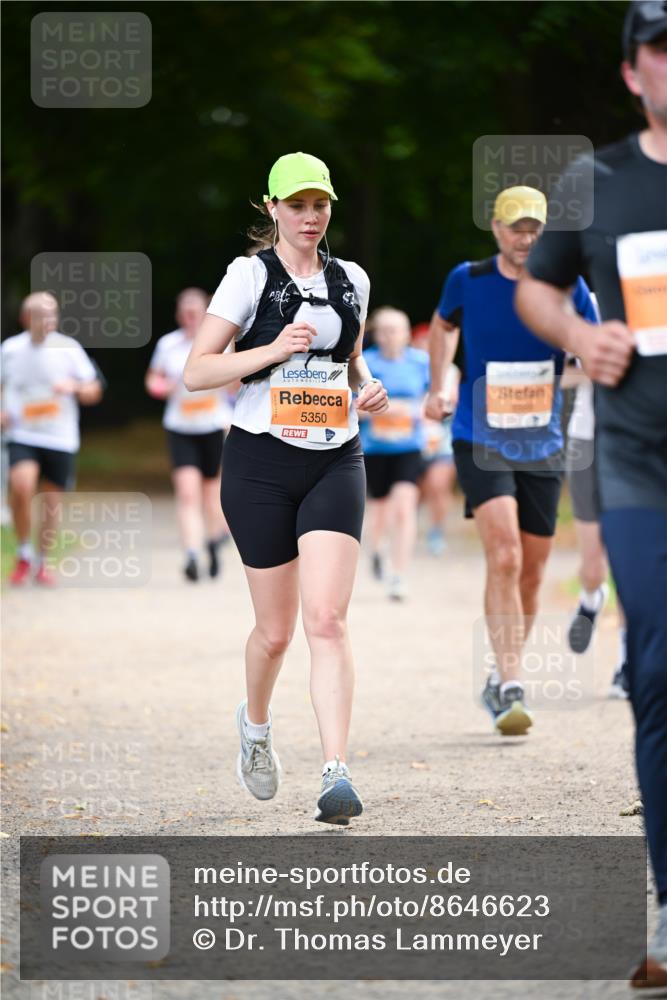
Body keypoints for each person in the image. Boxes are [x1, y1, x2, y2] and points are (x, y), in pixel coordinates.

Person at [516, 2, 667, 985]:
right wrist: (581, 336)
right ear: (632, 71)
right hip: (640, 461)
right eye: (663, 52)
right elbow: (536, 285)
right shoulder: (595, 179)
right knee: (657, 673)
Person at [183, 152, 388, 824]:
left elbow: (347, 362)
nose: (309, 216)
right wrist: (270, 351)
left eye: (319, 205)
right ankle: (257, 727)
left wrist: (367, 388)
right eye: (296, 205)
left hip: (336, 458)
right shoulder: (248, 276)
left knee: (325, 620)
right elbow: (198, 371)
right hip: (260, 464)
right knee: (274, 633)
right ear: (270, 208)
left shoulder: (350, 277)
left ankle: (335, 772)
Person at [426, 186, 598, 736]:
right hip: (480, 435)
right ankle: (512, 681)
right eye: (515, 227)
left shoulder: (566, 287)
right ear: (497, 230)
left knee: (532, 572)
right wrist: (437, 385)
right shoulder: (468, 280)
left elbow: (593, 347)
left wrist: (575, 360)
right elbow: (442, 325)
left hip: (544, 442)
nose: (526, 237)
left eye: (535, 228)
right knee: (503, 555)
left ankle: (499, 680)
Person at [1, 292, 103, 585]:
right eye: (40, 316)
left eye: (51, 315)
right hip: (23, 433)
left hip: (60, 437)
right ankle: (23, 553)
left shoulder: (68, 348)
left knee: (51, 502)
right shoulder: (10, 349)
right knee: (21, 487)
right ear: (25, 319)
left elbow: (93, 390)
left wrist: (73, 387)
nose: (47, 321)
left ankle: (43, 561)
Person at [146, 287, 232, 582]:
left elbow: (236, 382)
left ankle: (213, 543)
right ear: (178, 314)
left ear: (206, 313)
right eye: (185, 311)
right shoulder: (168, 345)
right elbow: (153, 378)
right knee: (186, 493)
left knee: (212, 496)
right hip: (180, 427)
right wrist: (160, 387)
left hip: (213, 426)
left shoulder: (220, 343)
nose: (190, 316)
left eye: (195, 311)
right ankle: (192, 554)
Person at [561, 355, 628, 698]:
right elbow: (557, 375)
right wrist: (597, 367)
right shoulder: (584, 308)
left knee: (634, 563)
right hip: (586, 442)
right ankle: (591, 598)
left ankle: (625, 664)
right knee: (593, 568)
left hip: (643, 444)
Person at [359, 307, 430, 599]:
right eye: (384, 330)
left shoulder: (421, 362)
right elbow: (351, 406)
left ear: (406, 333)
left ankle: (399, 574)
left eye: (396, 330)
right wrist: (378, 411)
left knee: (404, 507)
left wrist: (413, 410)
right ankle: (376, 549)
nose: (390, 336)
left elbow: (434, 399)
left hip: (408, 447)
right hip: (374, 447)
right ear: (376, 334)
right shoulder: (365, 362)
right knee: (379, 509)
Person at [412, 322, 459, 556]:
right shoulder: (407, 367)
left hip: (441, 438)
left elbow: (453, 402)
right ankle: (409, 528)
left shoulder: (451, 371)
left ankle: (436, 532)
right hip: (411, 438)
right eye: (423, 342)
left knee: (439, 486)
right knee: (417, 489)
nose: (427, 347)